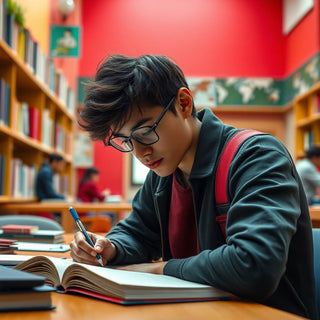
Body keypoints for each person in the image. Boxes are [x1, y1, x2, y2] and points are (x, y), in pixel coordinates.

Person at [70, 54, 318, 319]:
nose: (141, 153)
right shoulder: (162, 174)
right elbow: (137, 232)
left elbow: (254, 265)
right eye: (127, 141)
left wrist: (158, 269)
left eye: (145, 133)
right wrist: (110, 246)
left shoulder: (257, 156)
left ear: (184, 103)